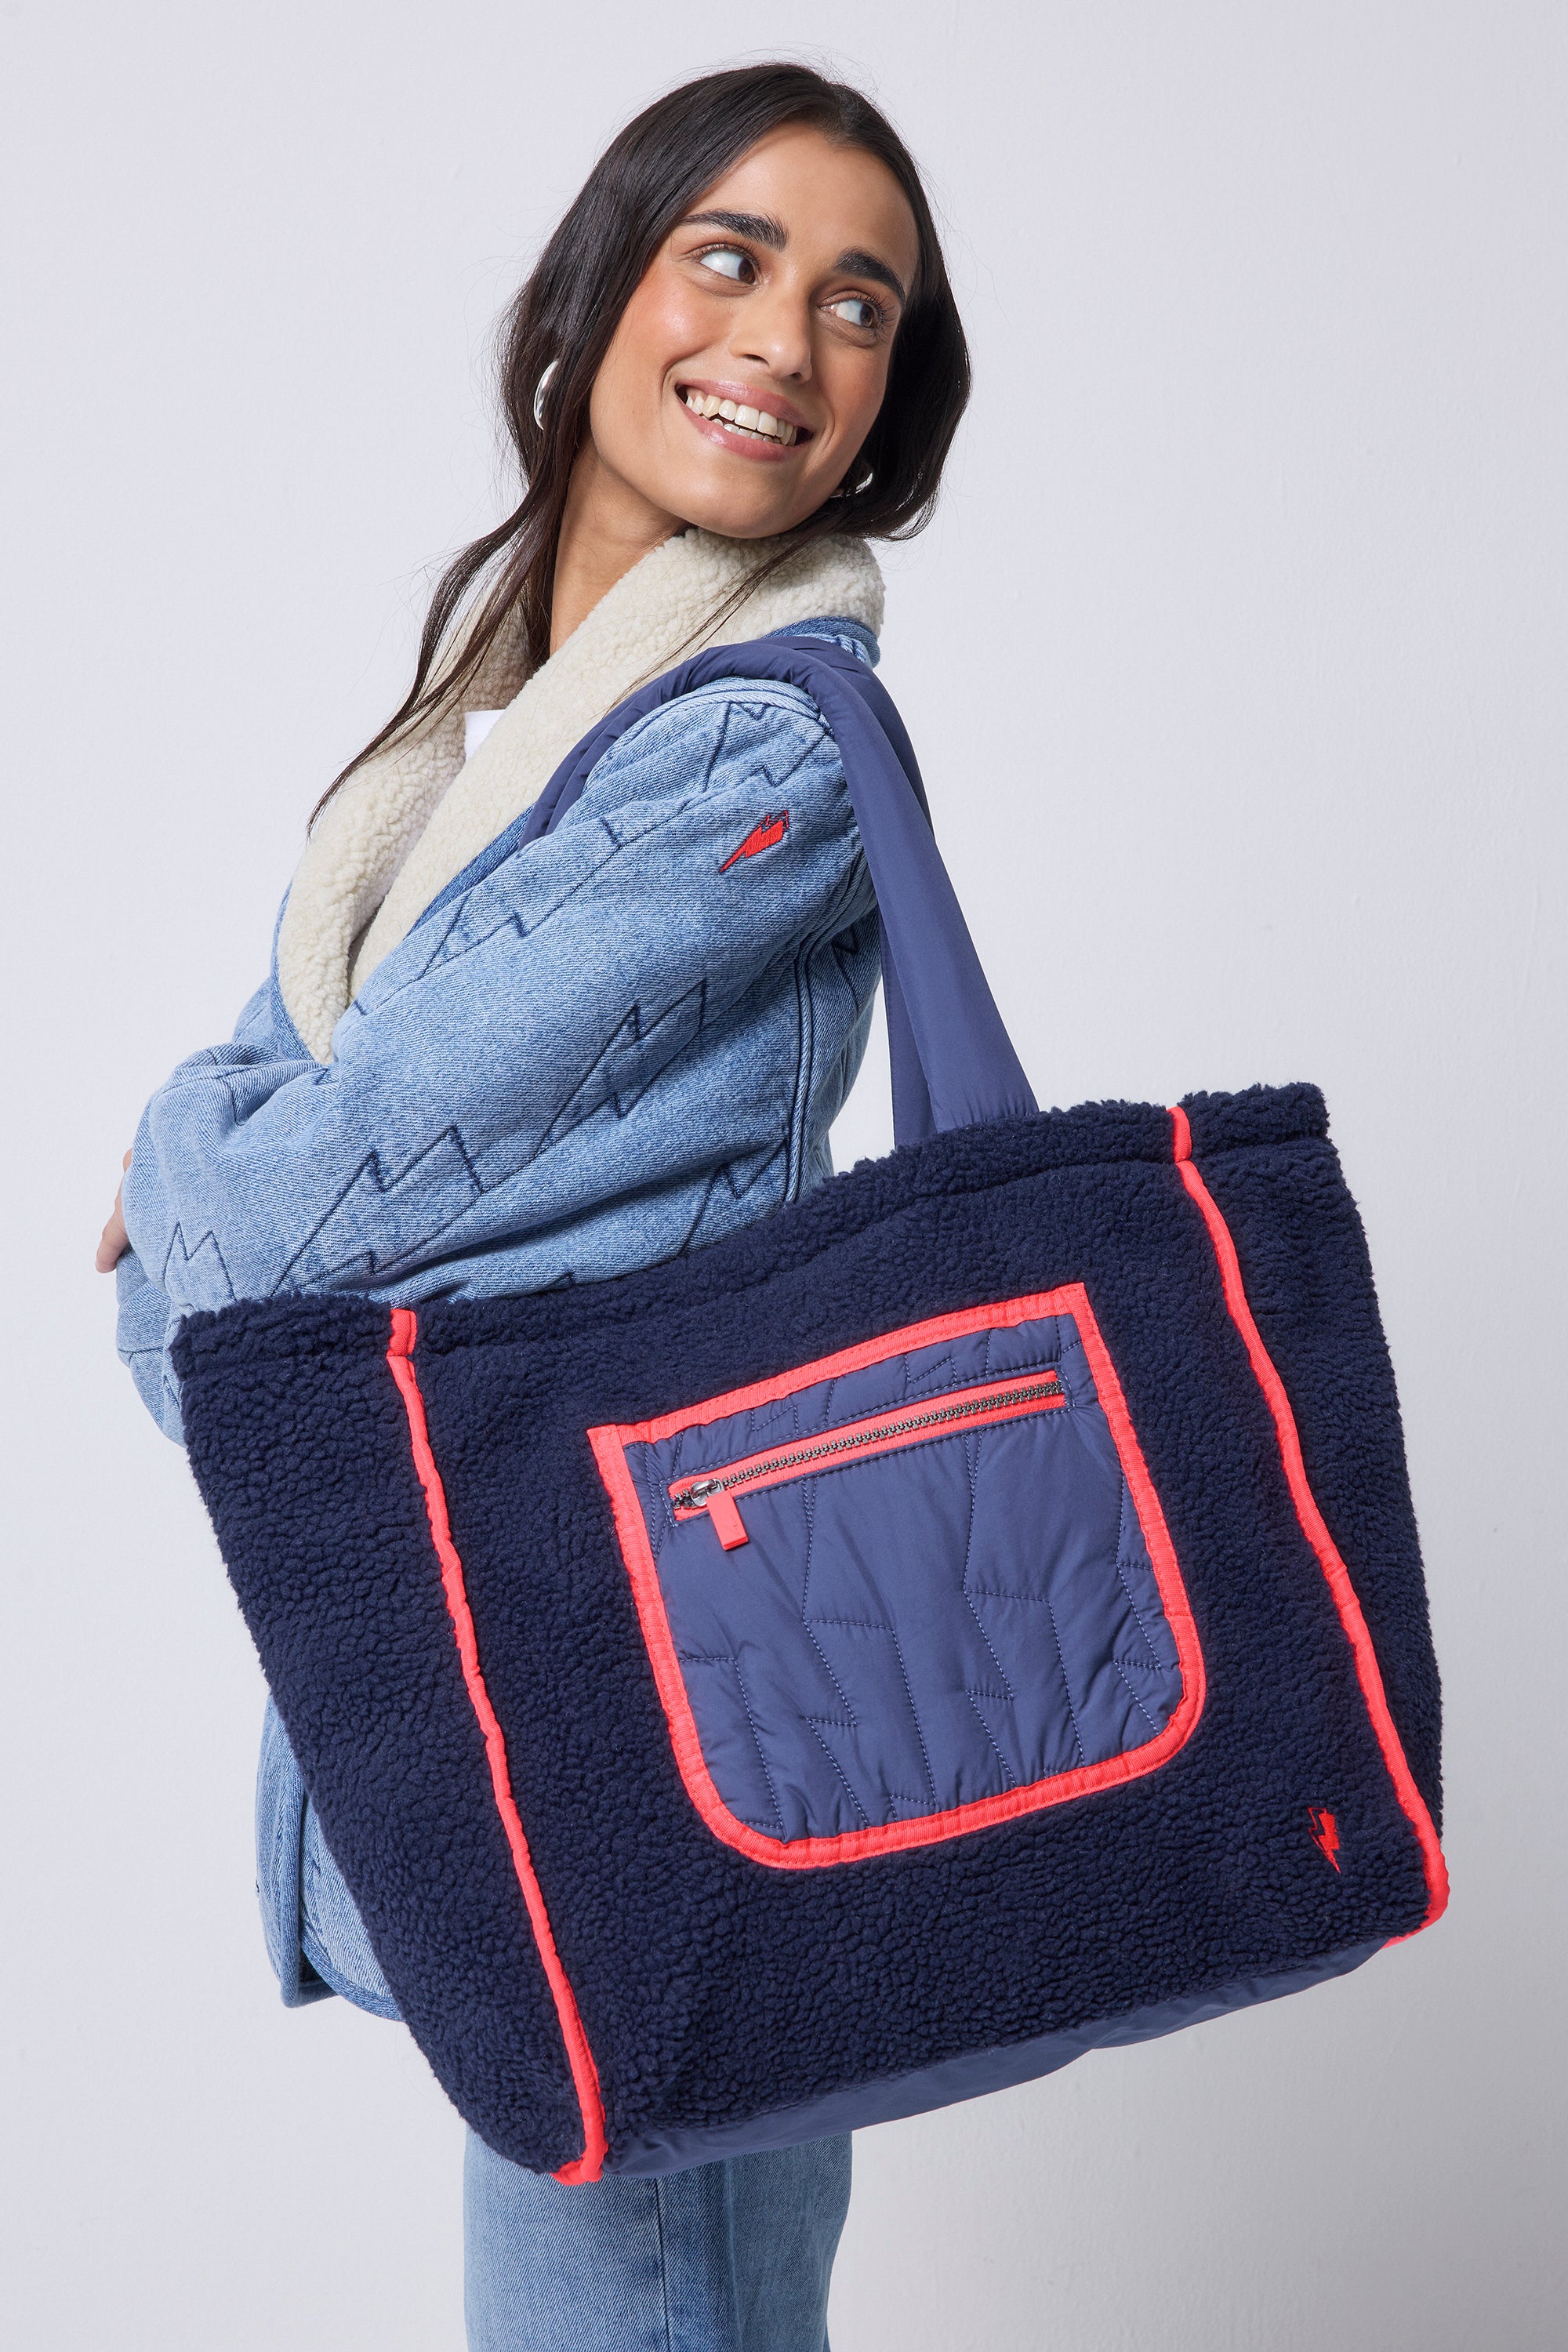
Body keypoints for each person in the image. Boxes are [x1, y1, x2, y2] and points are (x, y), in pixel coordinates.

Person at [98, 62, 970, 2352]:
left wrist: (189, 1180)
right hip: (567, 1723)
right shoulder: (471, 758)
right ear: (600, 302)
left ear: (886, 403)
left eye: (857, 302)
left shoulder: (751, 751)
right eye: (733, 257)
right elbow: (249, 1290)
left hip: (666, 1733)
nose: (787, 336)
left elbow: (264, 1245)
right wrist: (245, 1217)